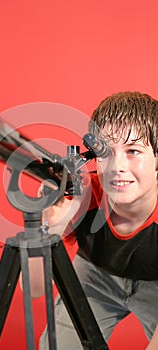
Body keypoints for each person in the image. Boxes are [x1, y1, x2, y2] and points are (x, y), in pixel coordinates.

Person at [25, 91, 158, 349]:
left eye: (133, 151)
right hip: (96, 275)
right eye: (106, 152)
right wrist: (48, 227)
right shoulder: (85, 195)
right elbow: (33, 289)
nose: (117, 166)